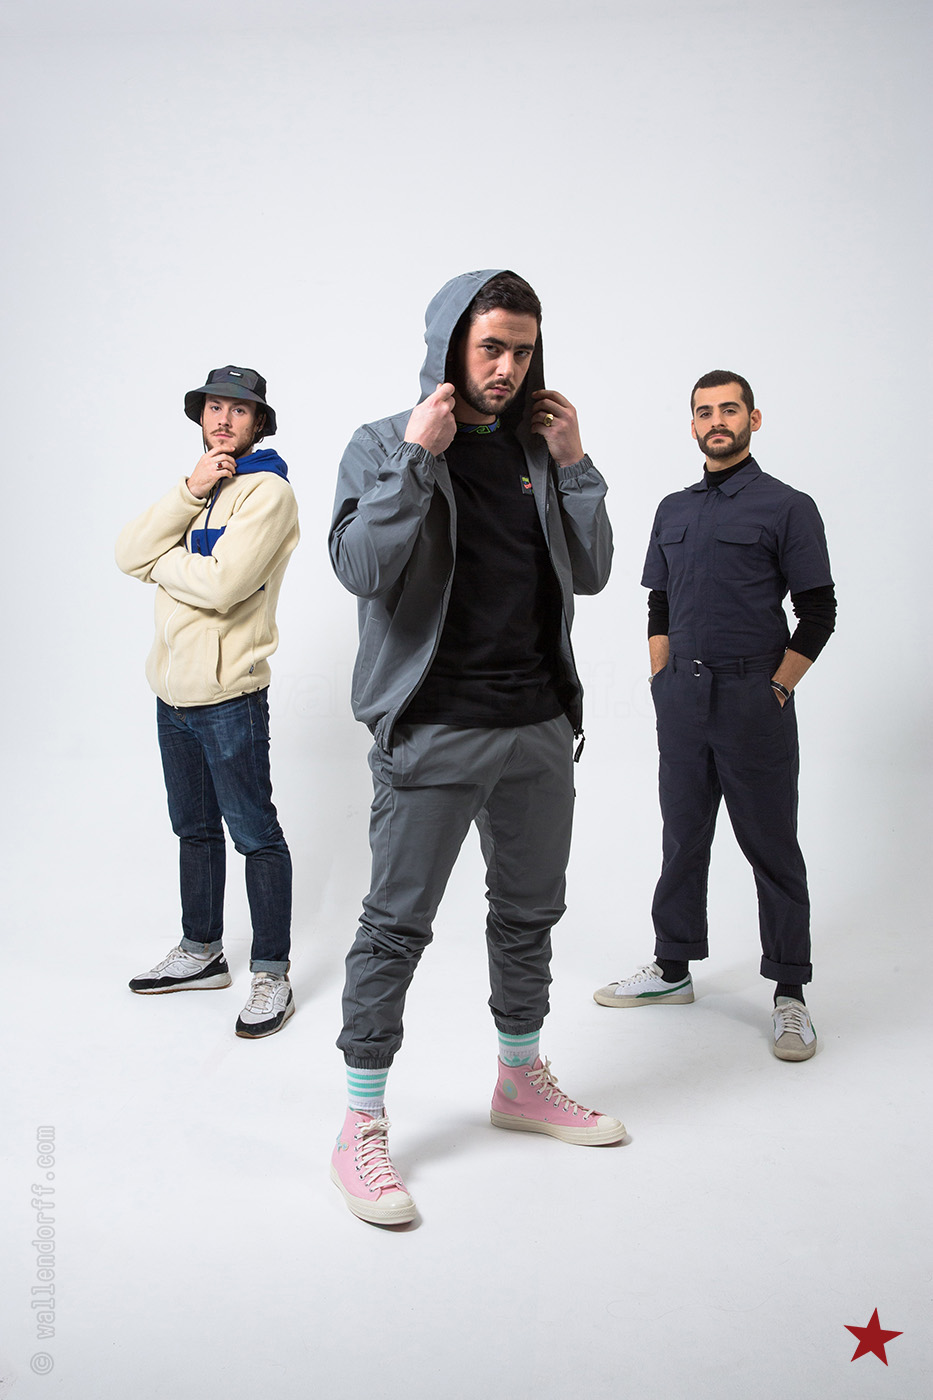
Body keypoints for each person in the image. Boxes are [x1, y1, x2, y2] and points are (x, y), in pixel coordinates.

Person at [328, 269, 624, 1225]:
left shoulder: (538, 449)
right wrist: (417, 456)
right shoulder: (384, 441)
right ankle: (360, 1122)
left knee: (528, 916)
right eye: (491, 346)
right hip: (433, 730)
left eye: (522, 351)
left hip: (536, 727)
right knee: (394, 929)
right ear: (451, 345)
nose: (507, 368)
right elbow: (360, 567)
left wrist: (575, 464)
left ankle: (519, 1080)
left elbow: (591, 571)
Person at [595, 371, 835, 1061]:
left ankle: (789, 993)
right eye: (704, 412)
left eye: (729, 409)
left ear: (753, 419)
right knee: (682, 836)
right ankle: (672, 968)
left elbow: (818, 612)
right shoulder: (672, 508)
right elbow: (659, 603)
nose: (716, 421)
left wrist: (777, 689)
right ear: (693, 424)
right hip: (682, 700)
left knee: (771, 846)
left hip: (752, 700)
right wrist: (661, 679)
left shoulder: (787, 506)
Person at [116, 365, 299, 1039]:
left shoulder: (268, 491)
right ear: (201, 417)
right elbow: (126, 552)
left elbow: (222, 588)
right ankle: (202, 952)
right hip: (171, 695)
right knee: (193, 829)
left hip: (228, 698)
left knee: (255, 835)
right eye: (214, 407)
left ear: (258, 422)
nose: (223, 419)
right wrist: (188, 492)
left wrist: (158, 564)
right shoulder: (201, 486)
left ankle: (271, 973)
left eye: (238, 410)